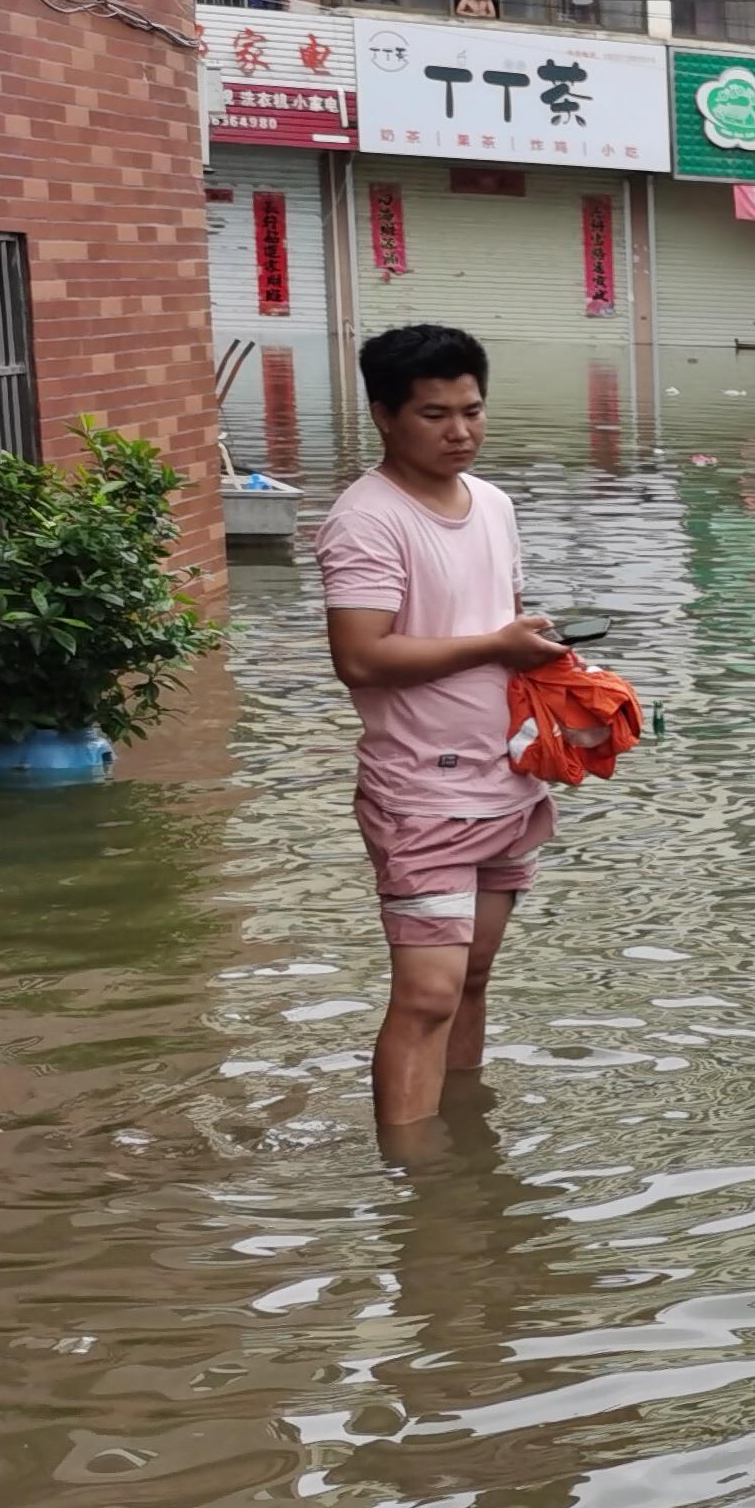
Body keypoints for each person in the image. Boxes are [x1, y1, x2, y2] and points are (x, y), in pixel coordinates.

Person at [317, 325, 573, 1136]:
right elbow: (359, 657)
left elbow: (495, 624)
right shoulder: (366, 522)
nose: (460, 431)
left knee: (472, 976)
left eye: (472, 410)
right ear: (384, 415)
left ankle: (460, 1139)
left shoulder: (493, 504)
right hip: (420, 789)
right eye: (435, 414)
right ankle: (412, 1180)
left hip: (508, 777)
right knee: (426, 991)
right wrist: (497, 645)